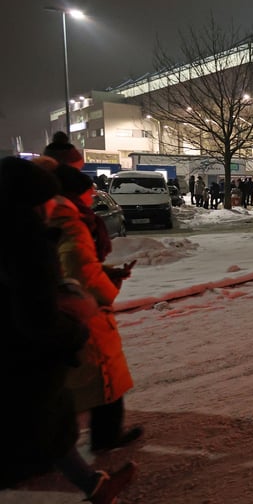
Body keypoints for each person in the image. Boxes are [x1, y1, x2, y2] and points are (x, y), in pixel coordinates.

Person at [0, 156, 136, 503]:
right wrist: (74, 329)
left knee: (45, 421)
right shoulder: (30, 244)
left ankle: (92, 483)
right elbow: (38, 313)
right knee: (47, 420)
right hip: (27, 353)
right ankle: (93, 484)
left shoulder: (24, 236)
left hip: (19, 350)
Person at [50, 164, 142, 453]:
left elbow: (78, 266)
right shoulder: (71, 224)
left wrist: (106, 273)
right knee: (104, 377)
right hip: (83, 311)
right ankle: (103, 440)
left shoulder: (53, 221)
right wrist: (109, 287)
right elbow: (83, 273)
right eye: (88, 194)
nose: (92, 199)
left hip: (65, 308)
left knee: (68, 384)